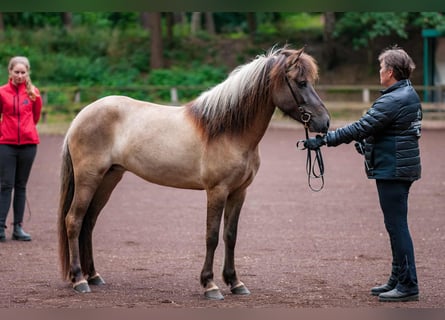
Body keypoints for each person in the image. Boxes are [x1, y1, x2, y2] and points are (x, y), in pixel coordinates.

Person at [304, 46, 422, 302]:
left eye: (381, 68)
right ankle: (398, 277)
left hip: (394, 171)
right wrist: (368, 145)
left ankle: (408, 285)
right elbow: (383, 131)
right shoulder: (405, 94)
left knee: (397, 227)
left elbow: (362, 126)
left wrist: (325, 141)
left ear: (390, 72)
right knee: (394, 226)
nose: (380, 72)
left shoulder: (394, 99)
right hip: (397, 168)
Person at [0, 56, 42, 242]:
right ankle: (0, 227)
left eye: (22, 72)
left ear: (28, 72)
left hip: (28, 145)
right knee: (5, 185)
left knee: (21, 185)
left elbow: (35, 117)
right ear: (10, 72)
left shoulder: (34, 93)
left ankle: (18, 228)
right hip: (6, 144)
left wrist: (26, 131)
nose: (19, 75)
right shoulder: (1, 92)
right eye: (16, 72)